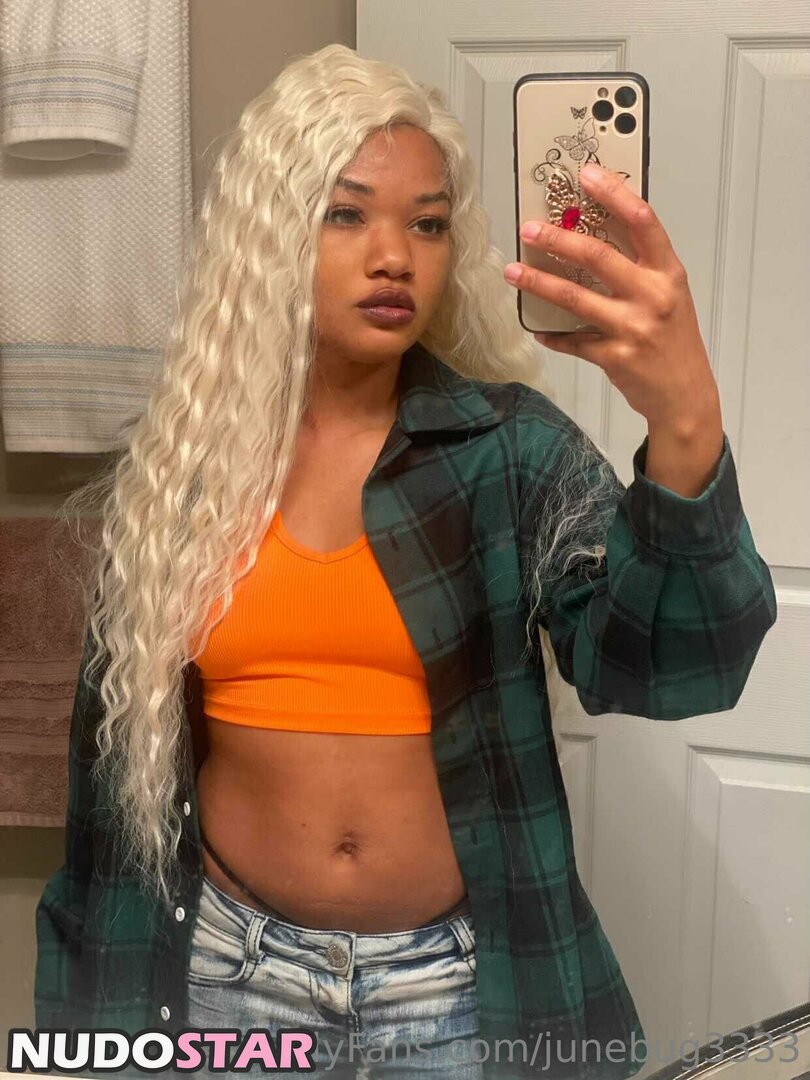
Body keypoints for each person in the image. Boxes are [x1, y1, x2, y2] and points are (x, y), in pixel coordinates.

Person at [34, 43, 776, 1080]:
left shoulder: (507, 452)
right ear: (268, 231)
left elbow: (670, 669)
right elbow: (107, 801)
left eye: (428, 224)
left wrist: (686, 418)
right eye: (347, 214)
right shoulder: (180, 475)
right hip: (226, 976)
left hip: (457, 995)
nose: (396, 256)